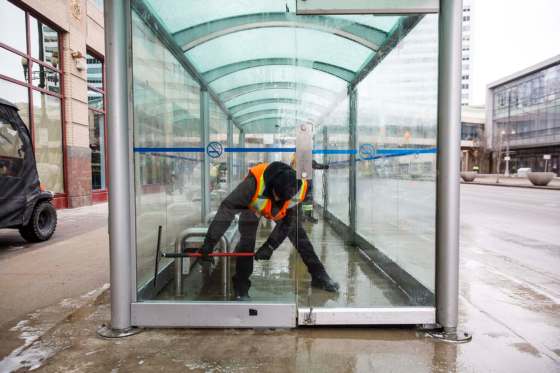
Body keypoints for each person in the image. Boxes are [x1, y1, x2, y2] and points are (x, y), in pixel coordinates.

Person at [199, 161, 339, 300]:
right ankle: (241, 286)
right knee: (247, 242)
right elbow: (227, 209)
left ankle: (319, 275)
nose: (278, 200)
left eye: (283, 199)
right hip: (252, 208)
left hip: (283, 213)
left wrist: (270, 246)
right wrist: (209, 243)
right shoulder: (252, 184)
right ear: (271, 187)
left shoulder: (299, 188)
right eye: (277, 196)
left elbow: (288, 223)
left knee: (300, 237)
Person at [289, 154, 329, 223]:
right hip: (304, 186)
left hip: (299, 187)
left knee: (301, 202)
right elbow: (317, 166)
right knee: (306, 201)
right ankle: (306, 217)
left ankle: (302, 217)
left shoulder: (293, 162)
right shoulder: (306, 161)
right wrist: (327, 166)